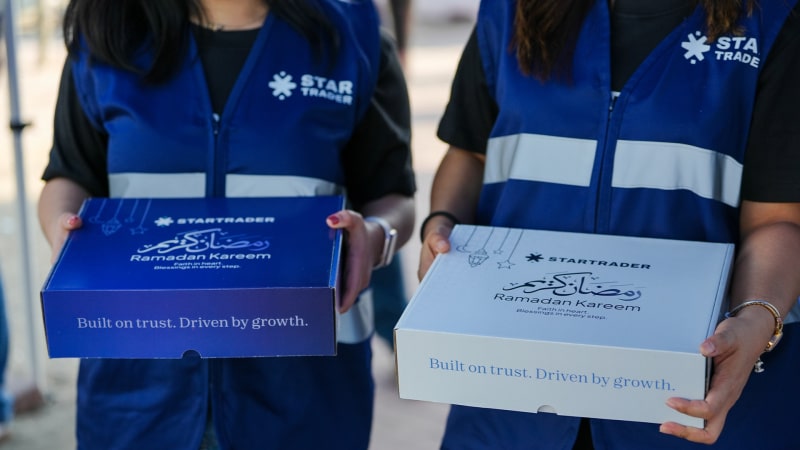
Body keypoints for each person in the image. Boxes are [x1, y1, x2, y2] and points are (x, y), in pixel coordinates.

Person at [419, 0, 800, 449]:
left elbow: (777, 218)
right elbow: (470, 153)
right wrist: (442, 224)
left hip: (689, 402)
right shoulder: (508, 9)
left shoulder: (775, 18)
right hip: (511, 403)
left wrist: (756, 320)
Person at [37, 0, 415, 448]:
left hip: (305, 392)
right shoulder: (109, 30)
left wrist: (376, 235)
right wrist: (64, 231)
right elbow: (70, 173)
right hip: (136, 389)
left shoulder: (353, 34)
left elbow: (393, 195)